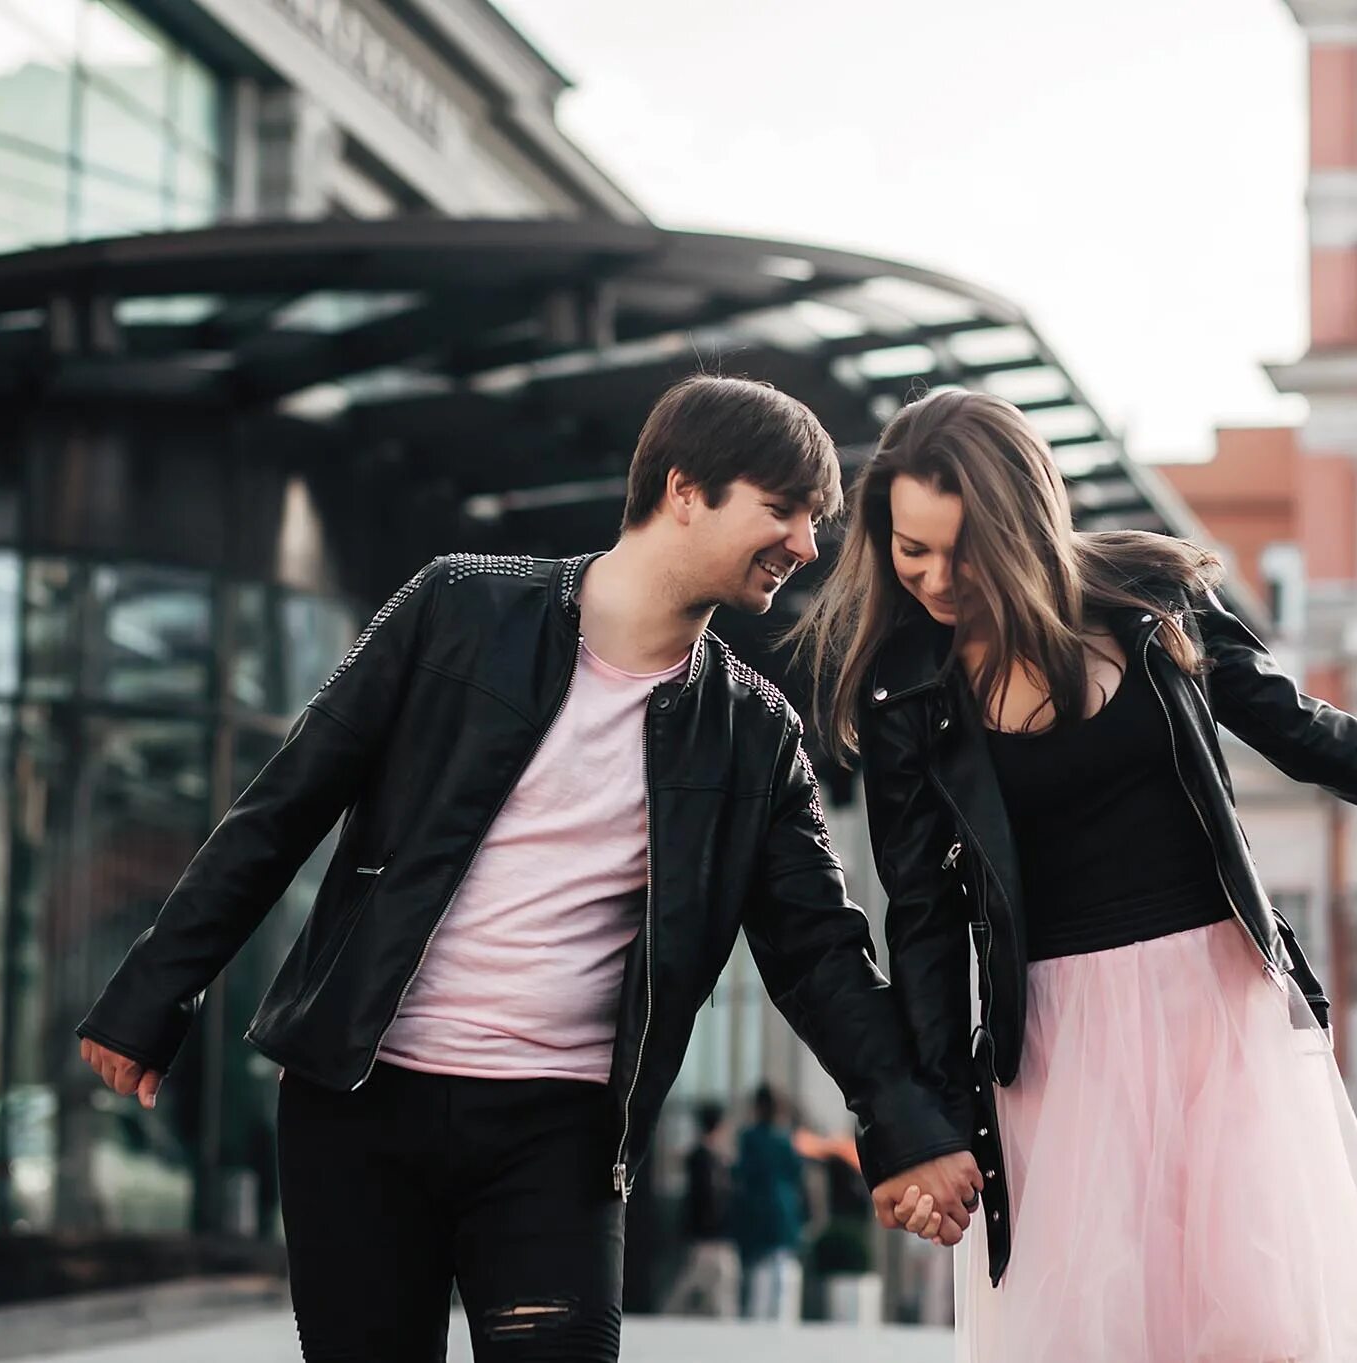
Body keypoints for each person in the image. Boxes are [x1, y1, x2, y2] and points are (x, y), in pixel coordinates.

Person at [73, 374, 979, 1362]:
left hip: (558, 1135)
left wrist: (906, 1122)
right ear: (684, 491)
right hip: (358, 1107)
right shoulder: (457, 607)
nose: (806, 545)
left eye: (815, 521)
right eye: (782, 511)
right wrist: (153, 991)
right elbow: (284, 803)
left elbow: (816, 951)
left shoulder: (750, 733)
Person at [790, 390, 1357, 1363]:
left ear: (1018, 525)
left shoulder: (1151, 598)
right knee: (1097, 1332)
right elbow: (922, 917)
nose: (928, 577)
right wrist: (932, 1118)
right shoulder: (902, 688)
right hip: (1054, 1039)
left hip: (1216, 1012)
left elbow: (1308, 738)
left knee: (1256, 1326)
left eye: (955, 549)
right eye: (906, 548)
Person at [732, 1083, 806, 1321]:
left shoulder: (750, 1138)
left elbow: (742, 1173)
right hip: (784, 1211)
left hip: (758, 1211)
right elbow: (798, 1175)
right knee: (782, 1277)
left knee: (759, 1281)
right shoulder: (785, 1141)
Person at [662, 1101, 739, 1318]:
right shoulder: (704, 1159)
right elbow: (708, 1200)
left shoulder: (712, 1158)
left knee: (711, 1286)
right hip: (707, 1237)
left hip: (710, 1236)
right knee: (698, 1283)